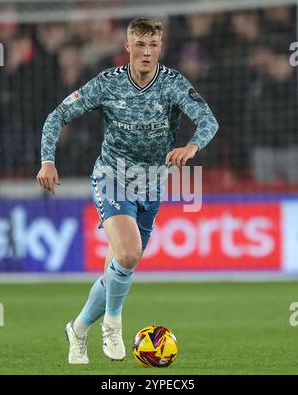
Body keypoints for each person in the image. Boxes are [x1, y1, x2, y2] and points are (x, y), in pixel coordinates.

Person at [36, 17, 219, 364]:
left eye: (153, 46)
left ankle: (77, 329)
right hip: (111, 177)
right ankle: (113, 324)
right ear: (128, 47)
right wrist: (47, 160)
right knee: (130, 254)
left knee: (119, 267)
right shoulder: (107, 84)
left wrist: (192, 146)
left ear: (160, 47)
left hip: (152, 185)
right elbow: (56, 116)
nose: (146, 52)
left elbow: (209, 119)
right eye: (140, 45)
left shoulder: (173, 84)